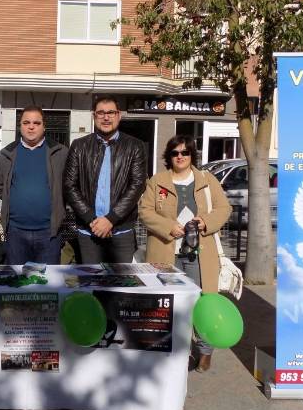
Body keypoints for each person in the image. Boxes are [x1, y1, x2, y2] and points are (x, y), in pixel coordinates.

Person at [138, 135, 232, 372]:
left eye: (185, 153)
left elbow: (224, 208)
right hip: (166, 253)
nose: (180, 157)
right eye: (175, 153)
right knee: (168, 303)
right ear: (168, 157)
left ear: (192, 155)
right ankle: (172, 350)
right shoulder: (157, 181)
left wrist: (205, 221)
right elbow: (145, 211)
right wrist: (168, 227)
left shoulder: (206, 180)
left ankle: (205, 351)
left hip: (200, 254)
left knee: (203, 303)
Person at [63, 95, 146, 263]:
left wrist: (110, 219)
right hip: (89, 231)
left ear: (119, 115)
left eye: (111, 113)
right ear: (94, 116)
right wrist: (92, 220)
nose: (106, 117)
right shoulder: (79, 146)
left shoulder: (135, 146)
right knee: (91, 284)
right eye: (101, 113)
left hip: (121, 231)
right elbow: (69, 185)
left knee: (122, 284)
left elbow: (137, 185)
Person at [0, 105, 69, 265]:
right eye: (26, 123)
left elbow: (69, 187)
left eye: (36, 123)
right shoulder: (6, 153)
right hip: (15, 233)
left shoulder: (60, 152)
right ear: (20, 126)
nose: (31, 127)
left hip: (49, 233)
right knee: (16, 283)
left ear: (44, 126)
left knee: (48, 284)